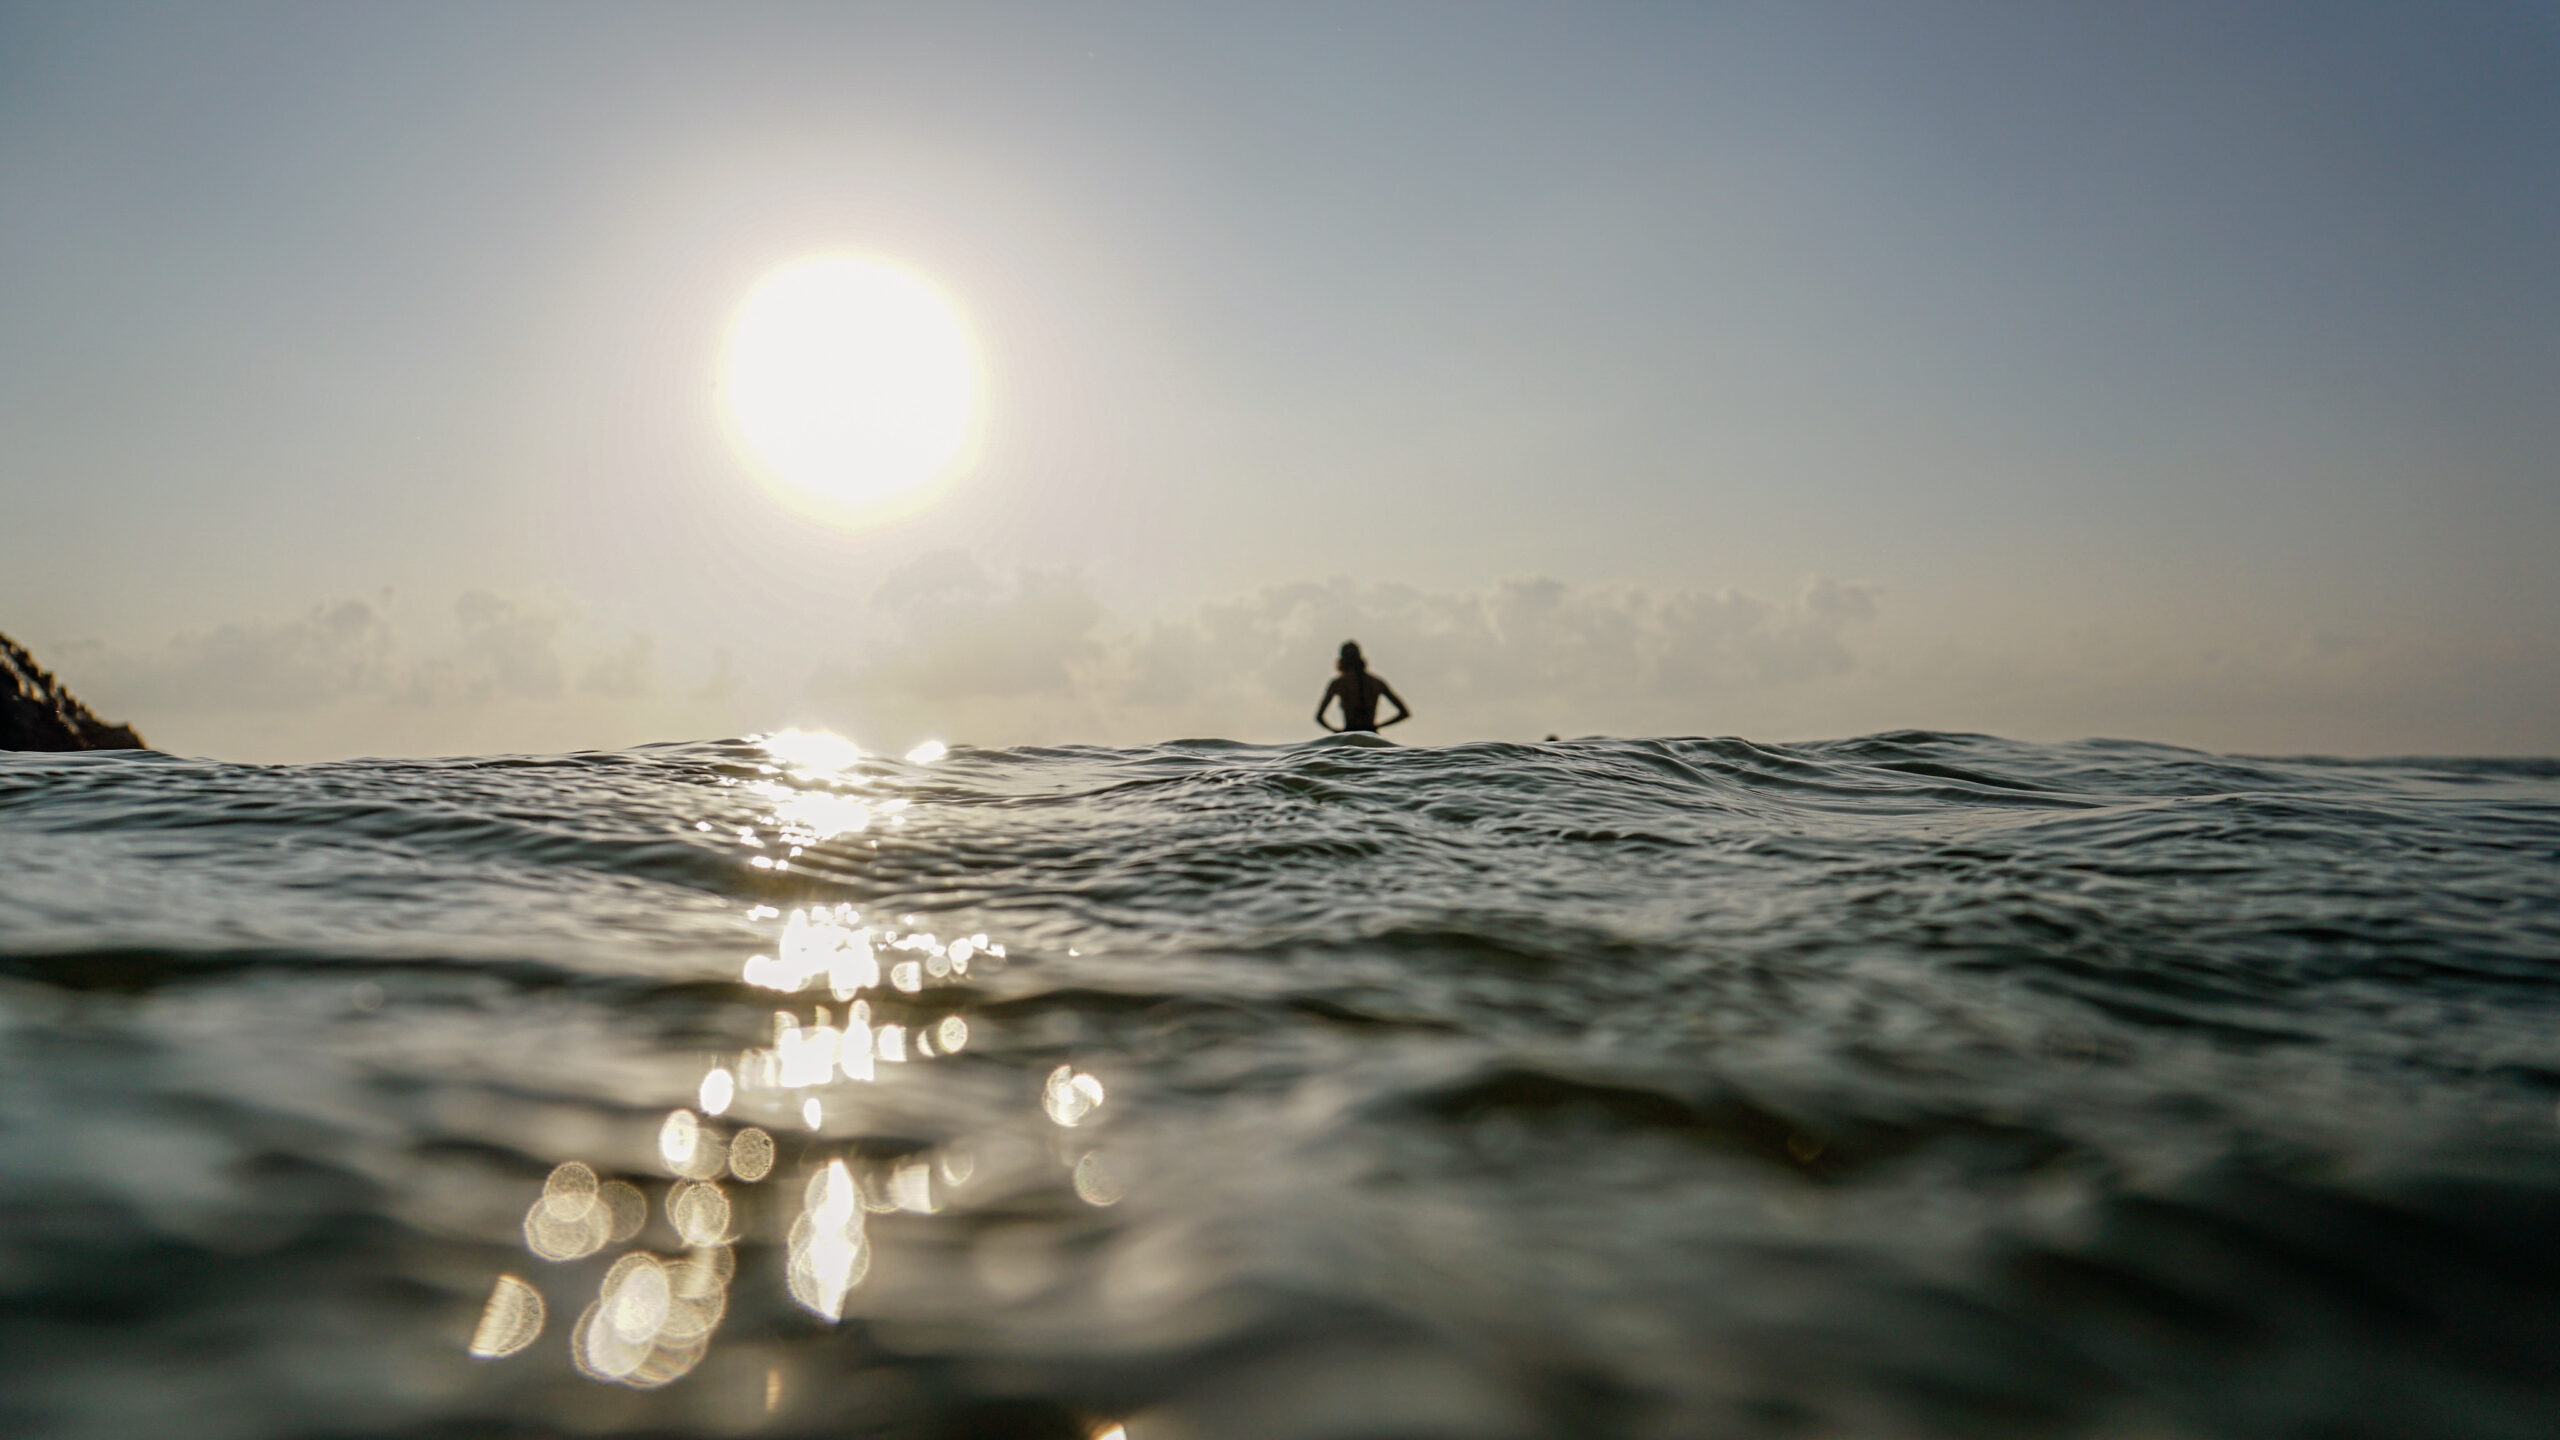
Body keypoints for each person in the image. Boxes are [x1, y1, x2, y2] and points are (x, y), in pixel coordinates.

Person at [1315, 640, 1411, 734]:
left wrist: (1337, 731)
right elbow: (1404, 713)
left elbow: (1319, 717)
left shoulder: (1338, 683)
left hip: (1350, 733)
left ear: (1342, 660)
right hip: (1371, 734)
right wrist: (1377, 726)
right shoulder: (1377, 682)